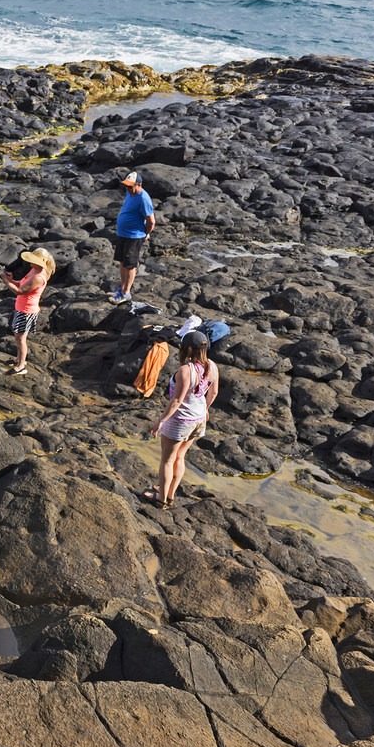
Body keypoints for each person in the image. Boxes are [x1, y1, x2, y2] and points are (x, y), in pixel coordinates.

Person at [148, 328, 219, 509]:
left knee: (167, 460)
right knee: (180, 457)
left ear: (186, 349)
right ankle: (170, 494)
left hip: (180, 421)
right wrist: (206, 409)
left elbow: (177, 400)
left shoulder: (185, 371)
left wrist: (161, 421)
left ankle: (160, 499)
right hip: (199, 418)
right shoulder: (212, 366)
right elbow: (213, 392)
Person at [0, 247, 54, 376]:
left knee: (20, 338)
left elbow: (20, 291)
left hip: (27, 311)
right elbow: (21, 284)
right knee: (18, 335)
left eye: (33, 260)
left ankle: (21, 366)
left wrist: (5, 280)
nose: (30, 262)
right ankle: (18, 359)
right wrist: (12, 280)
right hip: (21, 308)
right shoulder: (34, 270)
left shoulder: (39, 277)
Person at [111, 170, 156, 304]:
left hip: (134, 236)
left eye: (131, 186)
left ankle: (126, 293)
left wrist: (146, 233)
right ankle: (122, 288)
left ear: (139, 185)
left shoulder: (144, 198)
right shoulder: (130, 194)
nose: (128, 189)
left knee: (130, 265)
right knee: (122, 262)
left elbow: (151, 221)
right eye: (126, 186)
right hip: (123, 234)